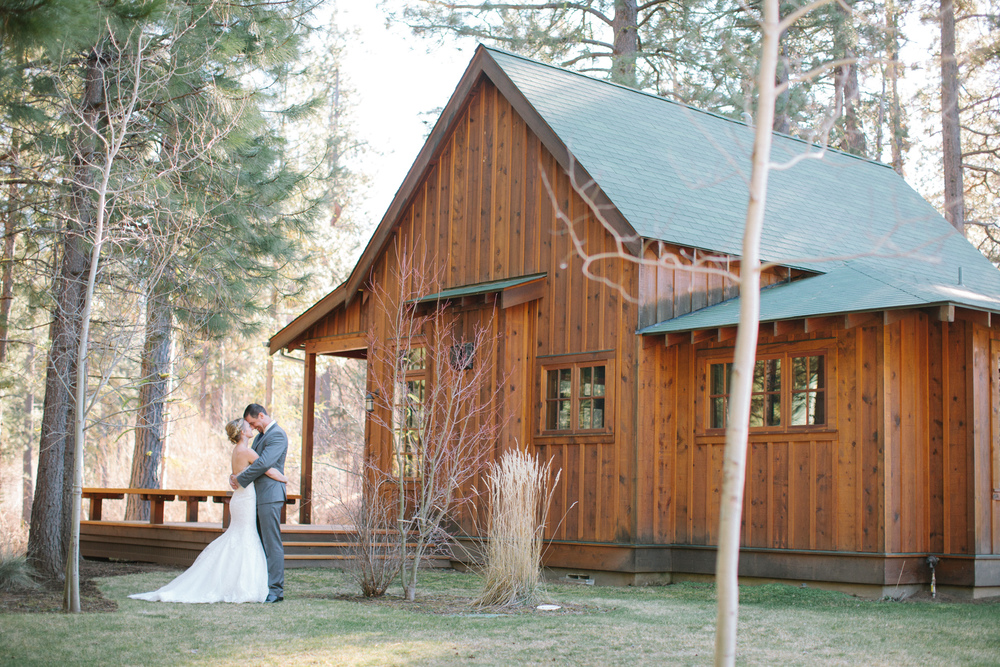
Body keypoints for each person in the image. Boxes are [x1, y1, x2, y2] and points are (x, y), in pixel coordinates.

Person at [130, 419, 287, 603]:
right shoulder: (246, 450)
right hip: (246, 499)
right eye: (247, 425)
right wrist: (283, 478)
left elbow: (244, 471)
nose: (250, 427)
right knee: (245, 537)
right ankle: (241, 584)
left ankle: (231, 580)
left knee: (239, 537)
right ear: (242, 432)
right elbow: (266, 469)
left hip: (240, 499)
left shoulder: (237, 451)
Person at [230, 403, 288, 603]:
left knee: (272, 543)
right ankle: (261, 586)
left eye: (253, 423)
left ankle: (275, 591)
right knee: (258, 543)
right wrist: (236, 475)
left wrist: (241, 479)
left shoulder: (277, 435)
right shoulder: (262, 437)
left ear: (261, 415)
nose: (253, 427)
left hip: (270, 495)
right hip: (255, 495)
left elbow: (264, 464)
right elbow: (250, 462)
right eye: (250, 425)